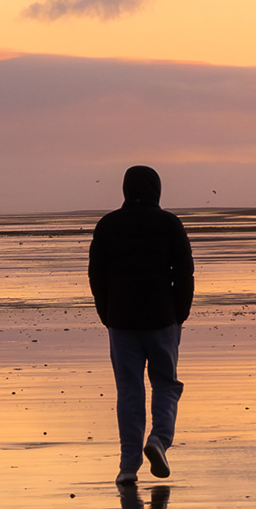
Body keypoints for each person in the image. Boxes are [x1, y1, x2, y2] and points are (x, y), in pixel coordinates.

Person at [87, 163, 195, 482]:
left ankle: (127, 467)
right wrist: (180, 313)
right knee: (165, 383)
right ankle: (159, 440)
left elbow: (96, 274)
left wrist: (106, 313)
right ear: (156, 190)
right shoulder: (168, 223)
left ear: (125, 190)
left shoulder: (108, 225)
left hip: (121, 320)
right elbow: (184, 272)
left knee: (129, 390)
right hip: (162, 318)